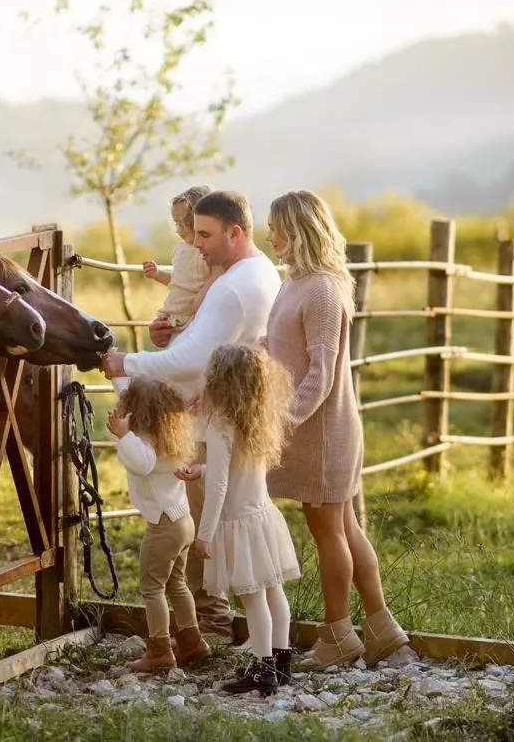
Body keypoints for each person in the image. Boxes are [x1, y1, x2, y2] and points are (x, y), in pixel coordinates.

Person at [102, 189, 282, 641]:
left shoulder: (234, 286)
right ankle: (238, 637)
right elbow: (204, 344)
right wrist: (171, 335)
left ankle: (217, 628)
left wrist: (128, 363)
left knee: (209, 531)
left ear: (234, 233)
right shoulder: (252, 272)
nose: (194, 244)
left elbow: (194, 359)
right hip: (210, 412)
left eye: (204, 234)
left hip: (205, 421)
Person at [264, 189, 410, 668]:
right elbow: (282, 345)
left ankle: (338, 637)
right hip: (313, 430)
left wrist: (281, 424)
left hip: (323, 432)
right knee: (343, 526)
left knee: (328, 530)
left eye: (276, 228)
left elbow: (320, 374)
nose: (270, 236)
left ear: (299, 229)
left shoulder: (323, 291)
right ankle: (383, 631)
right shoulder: (295, 282)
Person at [181, 344, 299, 694]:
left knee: (253, 599)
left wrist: (204, 534)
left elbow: (219, 486)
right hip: (262, 517)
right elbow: (237, 472)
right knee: (274, 593)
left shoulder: (220, 426)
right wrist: (202, 469)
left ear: (219, 382)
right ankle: (281, 662)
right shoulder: (257, 421)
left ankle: (264, 671)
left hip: (238, 525)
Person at [105, 375, 212, 672]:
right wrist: (116, 372)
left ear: (135, 409)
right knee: (177, 583)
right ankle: (192, 641)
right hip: (183, 521)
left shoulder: (143, 442)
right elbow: (134, 391)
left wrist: (123, 435)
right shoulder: (171, 434)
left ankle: (159, 651)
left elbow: (142, 463)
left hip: (164, 525)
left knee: (152, 588)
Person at [142, 184, 222, 330]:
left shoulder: (209, 251)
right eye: (177, 223)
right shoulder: (179, 249)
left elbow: (215, 281)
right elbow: (177, 282)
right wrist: (157, 274)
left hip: (193, 319)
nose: (180, 229)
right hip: (171, 316)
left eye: (185, 223)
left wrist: (199, 304)